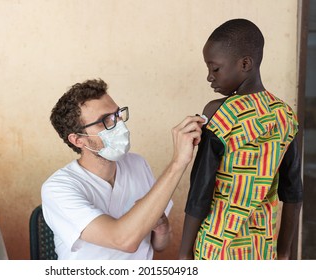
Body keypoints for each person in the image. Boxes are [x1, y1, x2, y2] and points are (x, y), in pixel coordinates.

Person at [179, 18, 303, 260]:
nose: (209, 77)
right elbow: (293, 193)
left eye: (215, 68)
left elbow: (200, 191)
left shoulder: (219, 113)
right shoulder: (286, 115)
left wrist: (184, 254)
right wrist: (285, 250)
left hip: (217, 245)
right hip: (261, 248)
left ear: (245, 63)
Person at [42, 79, 204, 259]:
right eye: (105, 121)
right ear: (78, 140)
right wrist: (178, 162)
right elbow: (124, 240)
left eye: (117, 114)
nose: (119, 124)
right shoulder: (57, 189)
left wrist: (163, 228)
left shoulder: (137, 164)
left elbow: (160, 245)